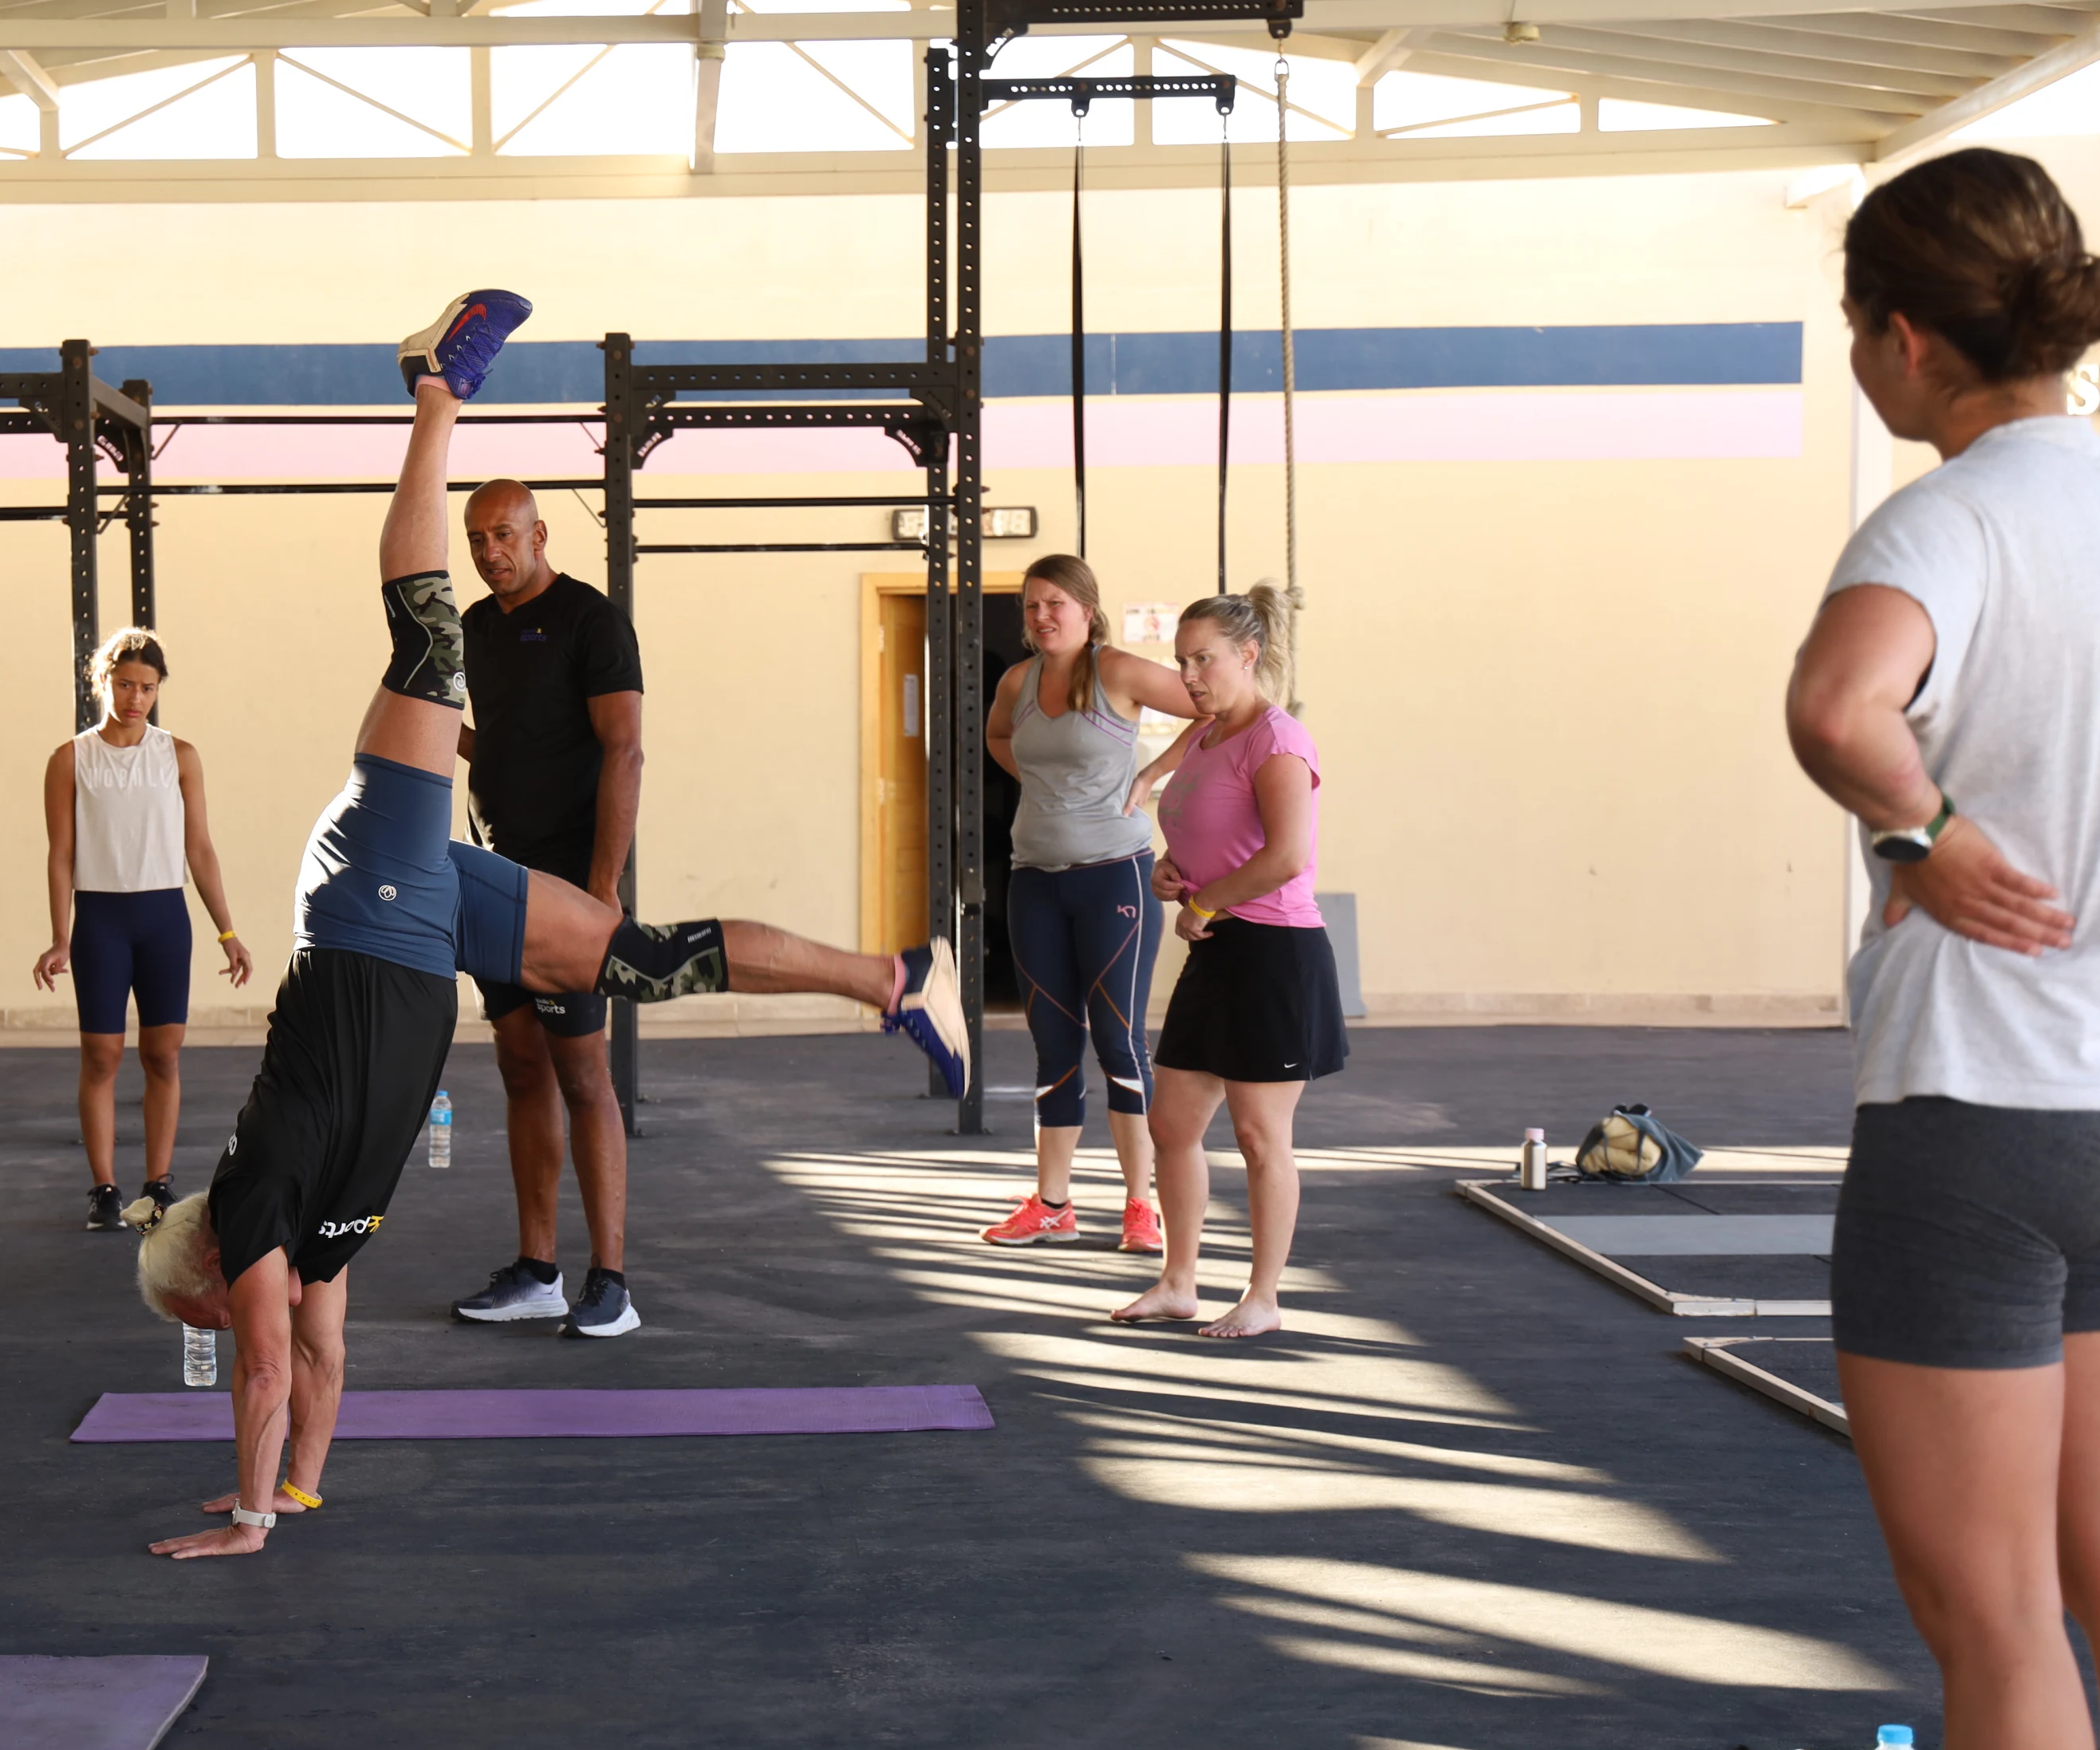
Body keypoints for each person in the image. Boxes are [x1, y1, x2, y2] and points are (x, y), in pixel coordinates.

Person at [131, 290, 971, 1560]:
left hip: (374, 904)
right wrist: (292, 1491)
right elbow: (322, 1358)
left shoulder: (255, 1218)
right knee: (647, 964)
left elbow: (264, 1368)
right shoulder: (322, 1238)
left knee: (419, 634)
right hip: (430, 917)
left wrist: (247, 1522)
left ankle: (439, 391)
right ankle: (899, 978)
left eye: (194, 1312)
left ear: (202, 1273)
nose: (216, 1322)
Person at [1781, 148, 2100, 1750]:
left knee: (2000, 1626)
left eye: (1854, 330)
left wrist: (1913, 828)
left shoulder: (1942, 525)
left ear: (1905, 336)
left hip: (1978, 1121)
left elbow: (1834, 706)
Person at [1110, 581, 1342, 1342]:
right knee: (1173, 1124)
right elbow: (1209, 833)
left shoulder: (1279, 741)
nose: (1191, 677)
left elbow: (1284, 857)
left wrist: (1206, 905)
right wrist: (1172, 870)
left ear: (1249, 654)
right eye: (1182, 663)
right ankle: (1178, 1283)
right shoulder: (1207, 739)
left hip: (1275, 952)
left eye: (1204, 660)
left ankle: (1264, 1296)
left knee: (1256, 1136)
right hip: (1214, 948)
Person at [448, 478, 647, 1338]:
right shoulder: (476, 628)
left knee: (584, 1074)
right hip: (500, 876)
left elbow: (625, 751)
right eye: (477, 540)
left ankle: (612, 1281)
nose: (491, 552)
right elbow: (496, 734)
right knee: (521, 1065)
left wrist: (602, 890)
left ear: (539, 533)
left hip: (570, 879)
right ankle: (538, 1270)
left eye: (504, 535)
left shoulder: (590, 619)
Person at [976, 552, 1203, 1254]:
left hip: (1116, 877)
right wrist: (1044, 786)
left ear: (1087, 609)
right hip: (1035, 879)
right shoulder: (1018, 680)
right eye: (1031, 606)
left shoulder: (1119, 673)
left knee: (1118, 1043)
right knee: (1053, 1046)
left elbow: (1215, 705)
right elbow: (997, 737)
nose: (1042, 617)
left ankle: (1142, 1206)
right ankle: (1052, 1204)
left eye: (1055, 604)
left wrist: (1154, 774)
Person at [33, 628, 251, 1233]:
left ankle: (157, 1185)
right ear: (102, 682)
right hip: (100, 920)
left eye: (148, 688)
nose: (136, 698)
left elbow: (200, 848)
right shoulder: (70, 759)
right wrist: (59, 935)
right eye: (125, 684)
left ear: (159, 690)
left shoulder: (178, 755)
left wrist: (227, 932)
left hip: (164, 919)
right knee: (101, 1055)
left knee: (163, 1054)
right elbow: (60, 854)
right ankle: (104, 1188)